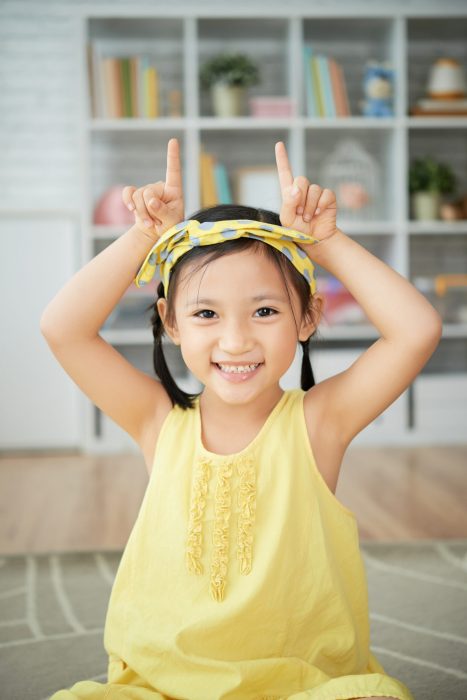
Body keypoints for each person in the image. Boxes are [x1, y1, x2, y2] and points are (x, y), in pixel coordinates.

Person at [42, 137, 441, 700]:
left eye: (265, 310)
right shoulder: (157, 419)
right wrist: (141, 238)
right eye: (205, 313)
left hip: (301, 685)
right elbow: (63, 329)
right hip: (161, 685)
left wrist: (327, 243)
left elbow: (416, 330)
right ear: (170, 321)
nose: (236, 340)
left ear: (307, 316)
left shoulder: (320, 422)